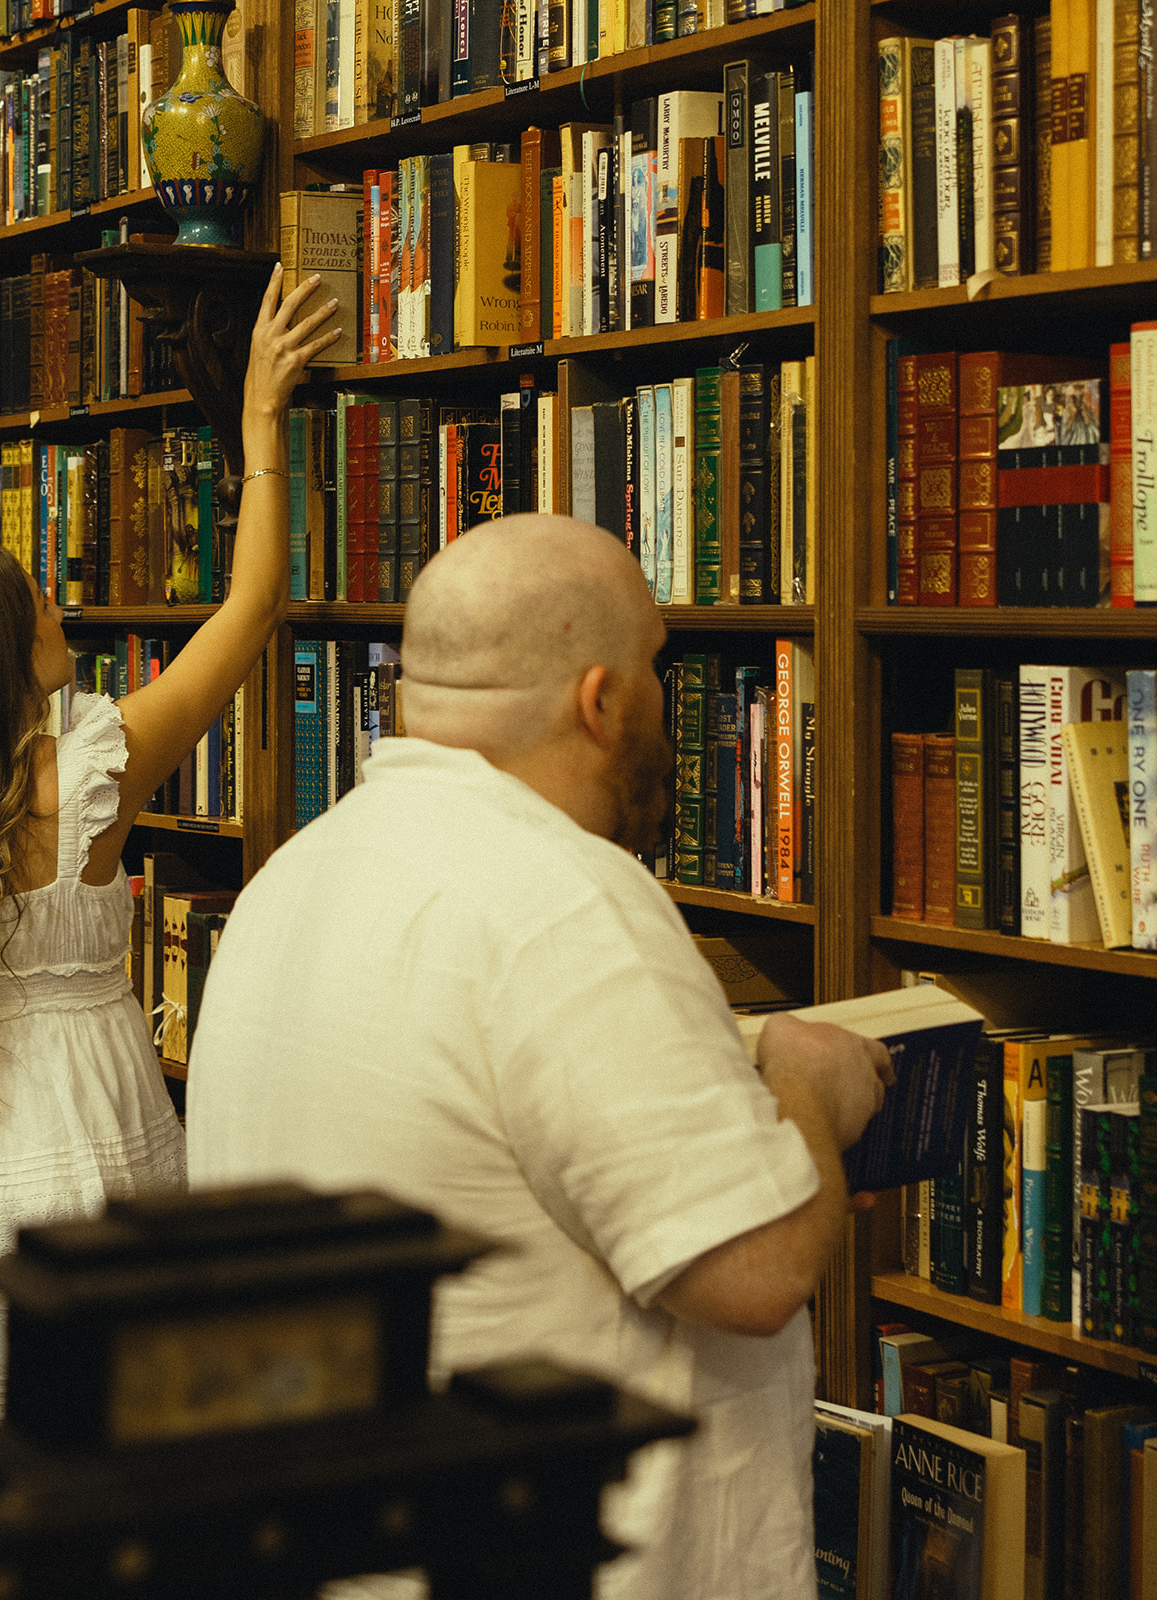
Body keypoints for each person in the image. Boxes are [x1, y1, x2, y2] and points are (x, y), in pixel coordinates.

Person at [185, 513, 893, 1600]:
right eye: (658, 661)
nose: (668, 694)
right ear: (600, 699)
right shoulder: (566, 902)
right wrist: (808, 1081)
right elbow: (747, 1274)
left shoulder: (294, 873)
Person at [0, 265, 341, 1444]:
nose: (60, 616)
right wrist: (260, 424)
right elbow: (252, 605)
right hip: (81, 1122)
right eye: (38, 605)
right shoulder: (88, 771)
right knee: (102, 1446)